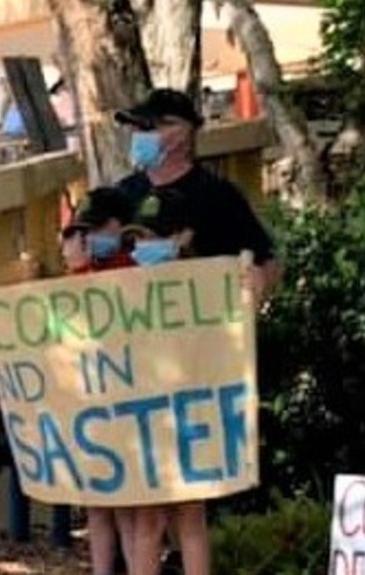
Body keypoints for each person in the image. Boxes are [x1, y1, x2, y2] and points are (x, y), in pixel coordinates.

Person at [114, 88, 281, 301]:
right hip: (138, 323)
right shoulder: (121, 195)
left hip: (204, 323)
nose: (139, 136)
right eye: (136, 128)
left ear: (182, 132)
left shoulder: (217, 195)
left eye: (148, 127)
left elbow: (266, 261)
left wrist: (259, 281)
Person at [117, 189, 208, 575]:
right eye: (137, 239)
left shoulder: (203, 288)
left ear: (179, 239)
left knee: (189, 519)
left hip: (189, 416)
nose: (141, 247)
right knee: (147, 523)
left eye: (151, 238)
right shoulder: (123, 289)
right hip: (145, 418)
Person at [60, 186, 136, 575]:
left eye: (96, 229)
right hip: (89, 400)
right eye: (82, 231)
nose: (87, 239)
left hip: (124, 402)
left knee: (125, 509)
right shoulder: (82, 271)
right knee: (97, 506)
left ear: (118, 227)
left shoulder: (129, 267)